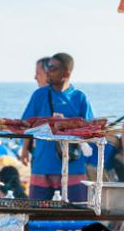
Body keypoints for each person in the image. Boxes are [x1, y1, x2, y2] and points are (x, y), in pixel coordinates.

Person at [19, 53, 94, 200]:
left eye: (52, 68)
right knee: (37, 216)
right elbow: (25, 125)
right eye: (47, 67)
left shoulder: (80, 98)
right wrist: (24, 150)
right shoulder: (39, 95)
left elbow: (90, 133)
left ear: (66, 73)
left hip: (72, 169)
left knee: (74, 217)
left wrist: (66, 124)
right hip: (42, 165)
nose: (48, 71)